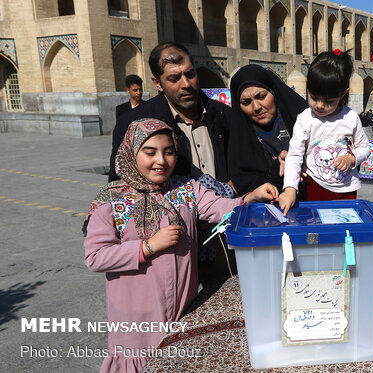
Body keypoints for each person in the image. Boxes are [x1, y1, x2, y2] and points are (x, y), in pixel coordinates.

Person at [84, 119, 278, 373]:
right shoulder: (111, 200)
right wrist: (148, 247)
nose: (161, 161)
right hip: (136, 315)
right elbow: (95, 256)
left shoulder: (186, 189)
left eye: (169, 152)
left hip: (182, 306)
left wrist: (251, 197)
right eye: (150, 152)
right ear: (131, 152)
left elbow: (221, 208)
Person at [109, 42, 231, 183]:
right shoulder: (133, 123)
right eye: (174, 78)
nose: (186, 84)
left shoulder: (224, 115)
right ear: (158, 83)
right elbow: (119, 181)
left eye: (190, 74)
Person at [279, 49, 371, 215]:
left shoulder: (350, 118)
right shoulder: (305, 119)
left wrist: (352, 158)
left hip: (346, 190)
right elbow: (294, 155)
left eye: (329, 101)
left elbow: (365, 147)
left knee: (342, 233)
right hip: (313, 186)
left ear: (343, 94)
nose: (320, 105)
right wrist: (290, 188)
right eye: (314, 97)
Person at [227, 64, 307, 195]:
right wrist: (277, 171)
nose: (256, 107)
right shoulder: (241, 141)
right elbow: (246, 187)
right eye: (246, 102)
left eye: (261, 96)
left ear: (273, 92)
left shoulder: (302, 118)